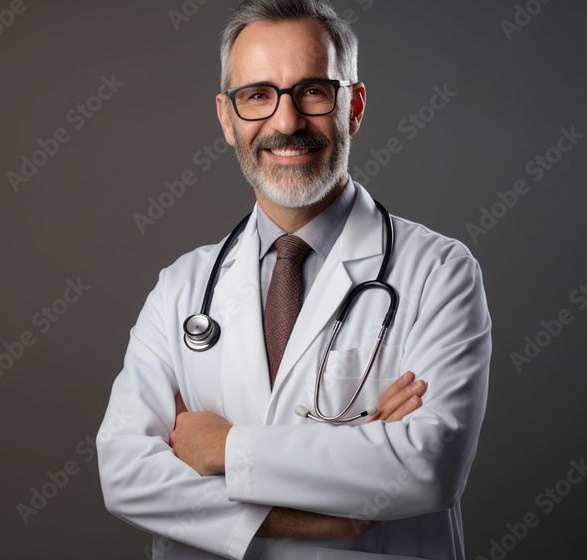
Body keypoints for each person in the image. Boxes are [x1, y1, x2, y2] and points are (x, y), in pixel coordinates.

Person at [96, 1, 491, 559]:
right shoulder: (182, 287)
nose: (285, 123)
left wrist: (223, 449)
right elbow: (125, 474)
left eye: (312, 91)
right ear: (227, 119)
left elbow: (427, 467)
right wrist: (326, 516)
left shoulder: (438, 272)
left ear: (353, 107)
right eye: (257, 95)